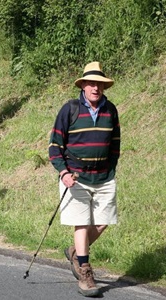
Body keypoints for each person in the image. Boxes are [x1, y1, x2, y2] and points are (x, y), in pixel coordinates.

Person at [48, 61, 120, 297]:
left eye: (99, 84)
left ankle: (76, 251)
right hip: (76, 176)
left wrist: (111, 167)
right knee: (81, 222)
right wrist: (64, 172)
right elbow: (55, 145)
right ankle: (85, 272)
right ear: (83, 86)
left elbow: (116, 144)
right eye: (91, 83)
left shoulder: (111, 110)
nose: (95, 88)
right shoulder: (69, 109)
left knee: (103, 221)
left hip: (103, 176)